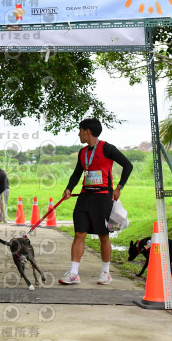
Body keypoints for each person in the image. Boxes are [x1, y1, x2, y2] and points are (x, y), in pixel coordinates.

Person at [59, 118, 133, 285]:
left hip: (103, 197)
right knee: (79, 233)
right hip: (85, 197)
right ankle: (73, 273)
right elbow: (77, 173)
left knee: (103, 235)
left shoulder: (107, 149)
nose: (79, 134)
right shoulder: (82, 152)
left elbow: (128, 165)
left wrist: (119, 187)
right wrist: (69, 188)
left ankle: (106, 273)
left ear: (87, 131)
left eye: (80, 131)